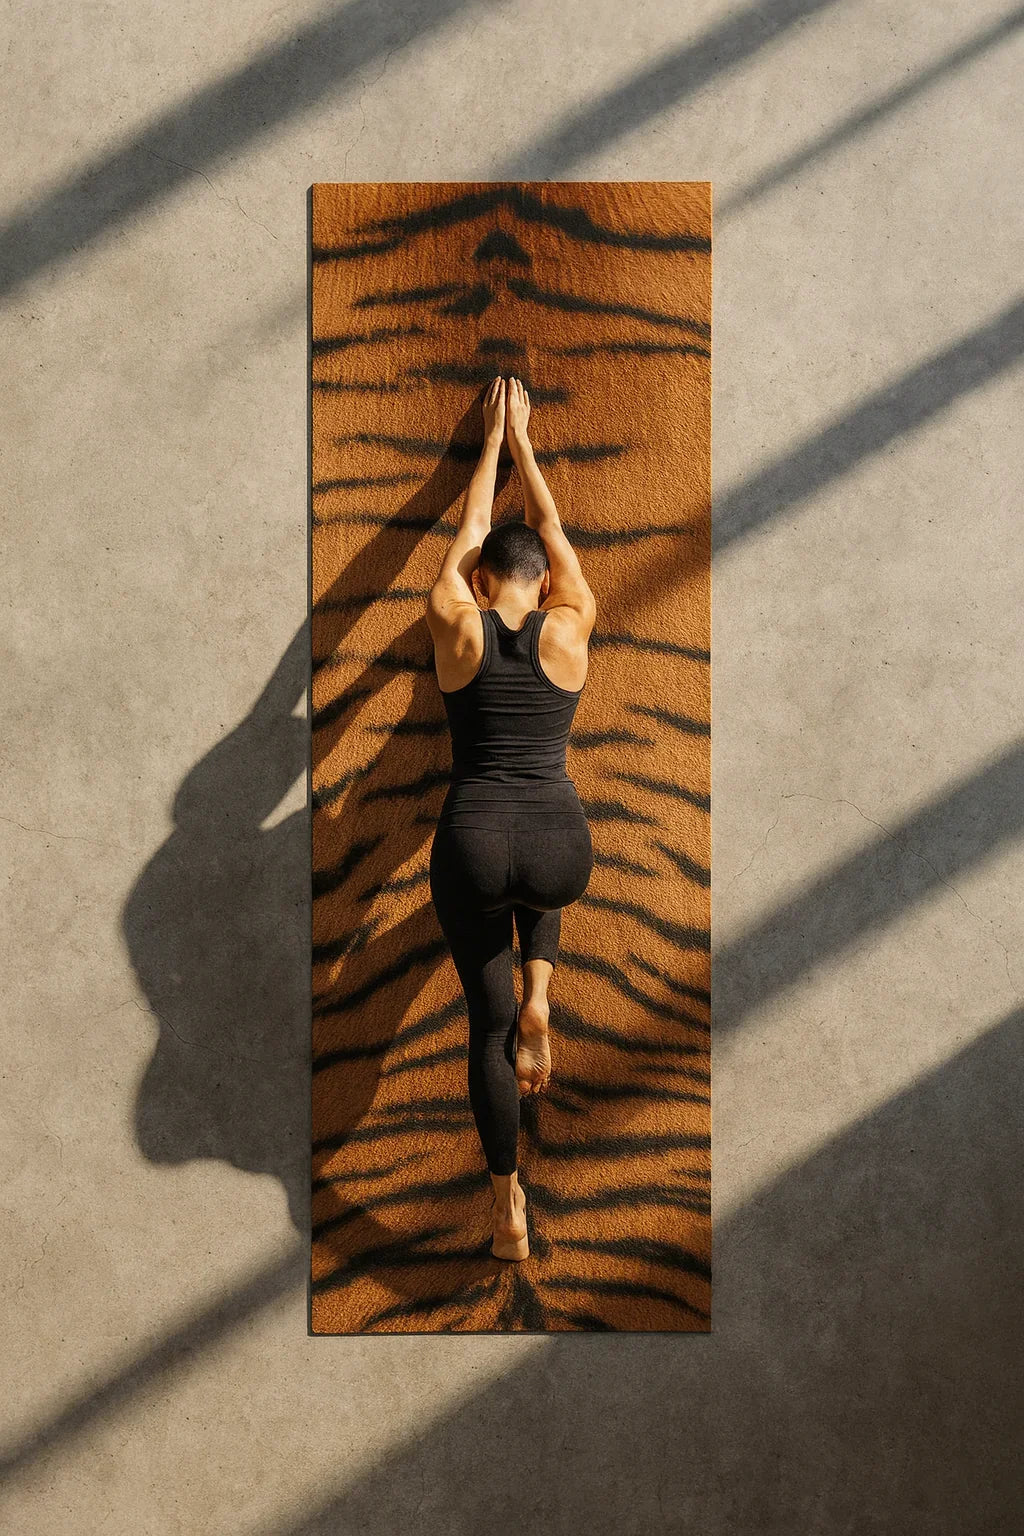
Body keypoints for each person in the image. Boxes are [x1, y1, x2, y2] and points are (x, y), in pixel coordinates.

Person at [425, 376, 597, 1261]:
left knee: (485, 1030)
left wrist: (489, 444)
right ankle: (542, 992)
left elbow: (466, 538)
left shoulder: (458, 625)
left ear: (484, 581)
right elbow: (552, 531)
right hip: (562, 845)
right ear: (545, 580)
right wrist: (527, 445)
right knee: (541, 874)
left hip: (474, 844)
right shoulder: (573, 625)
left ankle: (506, 1210)